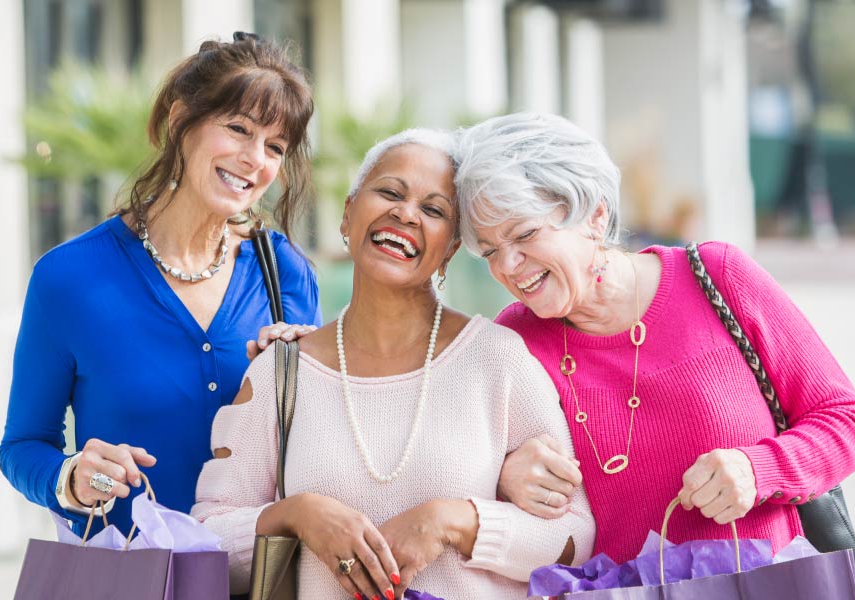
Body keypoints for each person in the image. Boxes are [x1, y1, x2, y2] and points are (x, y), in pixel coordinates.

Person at [191, 129, 596, 600]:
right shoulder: (280, 373)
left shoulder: (497, 360)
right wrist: (297, 515)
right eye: (389, 192)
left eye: (434, 209)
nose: (405, 214)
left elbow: (574, 539)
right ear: (348, 213)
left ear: (450, 249)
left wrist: (454, 522)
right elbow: (206, 546)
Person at [454, 112, 855, 565]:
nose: (507, 267)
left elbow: (848, 420)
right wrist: (502, 477)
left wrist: (760, 469)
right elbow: (453, 472)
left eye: (525, 235)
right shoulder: (512, 340)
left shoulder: (717, 277)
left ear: (594, 215)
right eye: (491, 251)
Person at [0, 32, 322, 537]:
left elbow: (320, 450)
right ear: (179, 123)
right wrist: (74, 479)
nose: (255, 160)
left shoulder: (286, 273)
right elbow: (22, 446)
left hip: (260, 578)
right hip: (126, 575)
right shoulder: (69, 278)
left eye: (275, 146)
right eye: (238, 128)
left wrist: (309, 385)